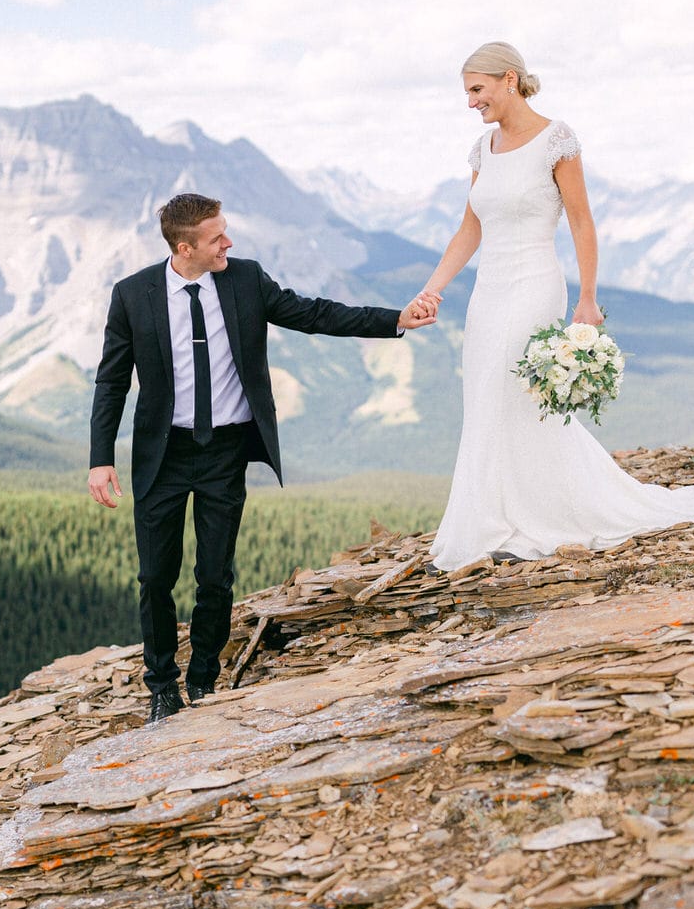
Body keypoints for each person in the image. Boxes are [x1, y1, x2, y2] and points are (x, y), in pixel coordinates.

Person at [88, 193, 440, 722]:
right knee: (155, 577)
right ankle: (161, 687)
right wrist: (100, 457)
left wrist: (395, 319)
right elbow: (112, 380)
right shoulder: (133, 294)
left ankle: (203, 680)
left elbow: (315, 313)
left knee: (215, 575)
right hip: (161, 453)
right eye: (216, 238)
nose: (228, 243)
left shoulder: (245, 279)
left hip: (225, 450)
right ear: (185, 248)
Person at [420, 42, 694, 572]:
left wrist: (588, 298)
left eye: (476, 90)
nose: (470, 102)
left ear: (509, 79)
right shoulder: (482, 148)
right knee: (485, 395)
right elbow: (470, 229)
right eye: (466, 92)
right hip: (488, 292)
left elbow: (581, 221)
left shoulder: (557, 140)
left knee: (517, 392)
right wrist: (433, 287)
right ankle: (495, 513)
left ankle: (547, 511)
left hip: (534, 283)